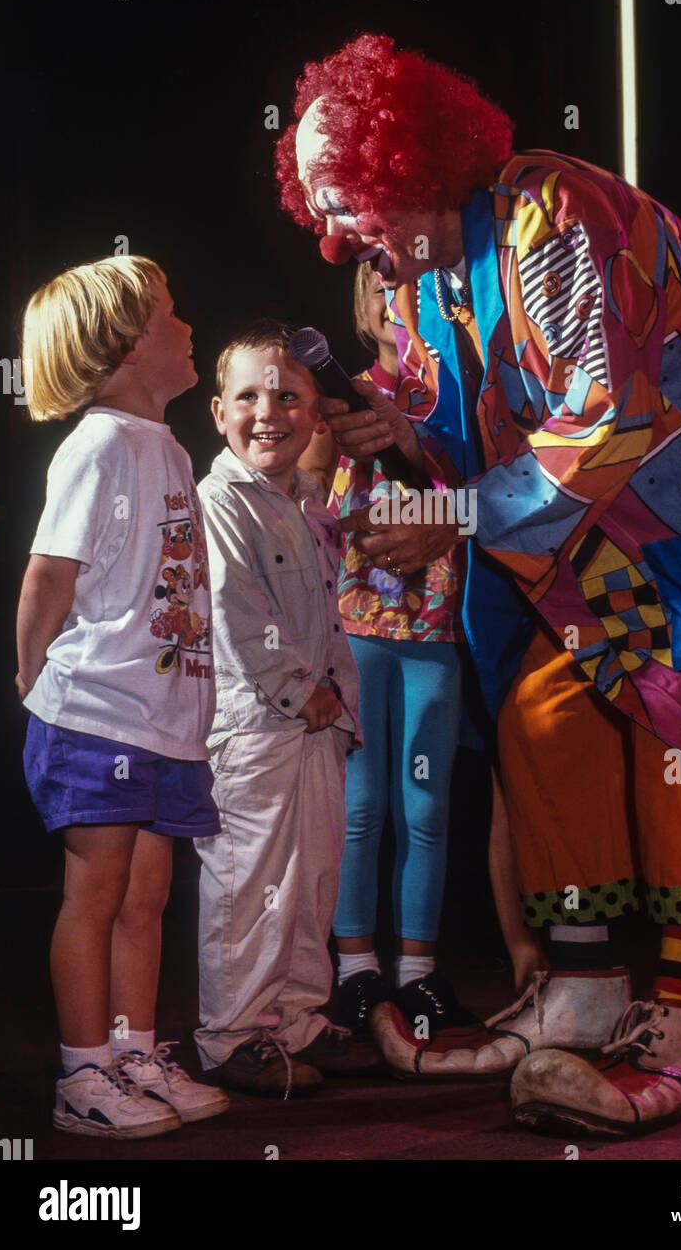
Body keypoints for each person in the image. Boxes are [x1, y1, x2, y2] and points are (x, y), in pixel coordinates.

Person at [275, 34, 681, 1137]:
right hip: (573, 555)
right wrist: (405, 434)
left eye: (347, 202)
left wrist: (450, 511)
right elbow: (480, 434)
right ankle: (584, 997)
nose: (338, 237)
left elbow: (607, 418)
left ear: (407, 161)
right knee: (548, 725)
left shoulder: (552, 216)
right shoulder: (428, 278)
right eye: (323, 215)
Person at [16, 256, 228, 1139]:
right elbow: (49, 574)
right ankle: (82, 1074)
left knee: (148, 894)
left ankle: (134, 1049)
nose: (187, 329)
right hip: (98, 714)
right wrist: (32, 679)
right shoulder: (99, 443)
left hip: (164, 721)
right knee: (96, 894)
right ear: (127, 342)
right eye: (171, 317)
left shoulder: (170, 447)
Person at [193, 318, 375, 1095]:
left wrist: (336, 707)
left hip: (317, 724)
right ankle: (231, 1035)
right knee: (249, 881)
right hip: (255, 726)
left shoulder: (305, 500)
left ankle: (296, 1017)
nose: (268, 411)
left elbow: (328, 611)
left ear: (315, 414)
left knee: (311, 876)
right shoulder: (218, 502)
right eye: (248, 396)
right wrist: (304, 694)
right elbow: (234, 613)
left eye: (288, 396)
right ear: (217, 412)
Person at [323, 263, 471, 1037]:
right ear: (361, 305)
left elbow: (492, 497)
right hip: (357, 623)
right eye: (379, 291)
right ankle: (354, 969)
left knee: (427, 804)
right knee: (360, 803)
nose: (394, 305)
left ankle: (418, 969)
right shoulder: (339, 393)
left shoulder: (461, 400)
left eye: (408, 291)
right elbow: (306, 502)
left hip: (439, 626)